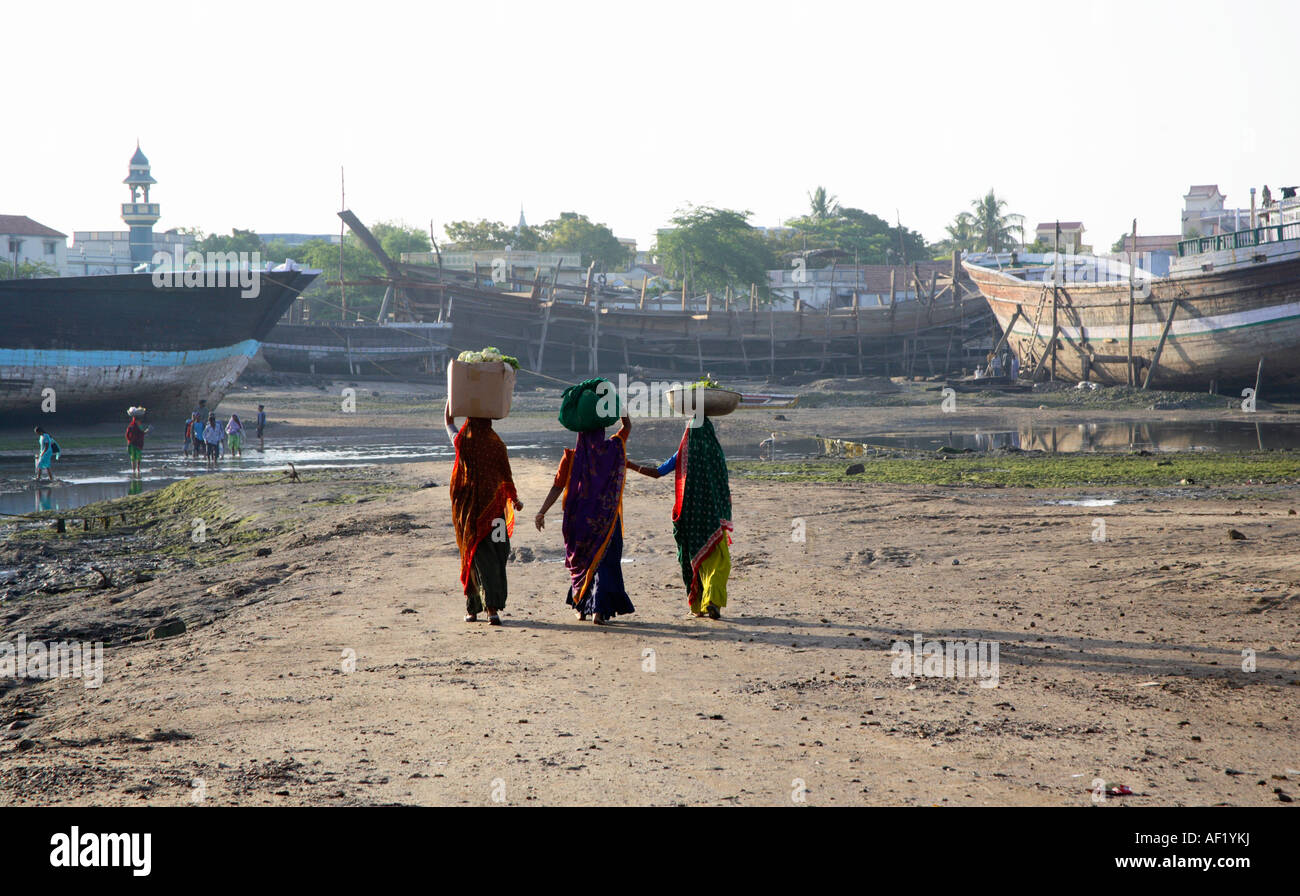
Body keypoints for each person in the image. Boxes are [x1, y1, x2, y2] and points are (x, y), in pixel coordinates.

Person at [534, 413, 658, 625]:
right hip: (607, 521)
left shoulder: (572, 457)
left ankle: (582, 607)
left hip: (578, 522)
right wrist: (620, 408)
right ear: (601, 432)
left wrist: (542, 511)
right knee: (604, 562)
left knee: (583, 562)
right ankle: (597, 611)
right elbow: (627, 427)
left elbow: (557, 486)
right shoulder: (613, 450)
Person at [445, 401, 523, 625]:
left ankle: (474, 610)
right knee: (497, 556)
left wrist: (454, 398)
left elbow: (449, 423)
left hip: (469, 515)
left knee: (474, 556)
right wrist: (515, 500)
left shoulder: (464, 441)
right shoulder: (497, 444)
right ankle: (491, 609)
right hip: (496, 514)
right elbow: (506, 476)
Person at [656, 416, 733, 619]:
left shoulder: (682, 454)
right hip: (712, 518)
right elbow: (723, 486)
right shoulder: (716, 453)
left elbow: (658, 472)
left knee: (693, 560)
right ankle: (713, 601)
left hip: (689, 519)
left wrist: (629, 464)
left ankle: (699, 604)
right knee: (720, 561)